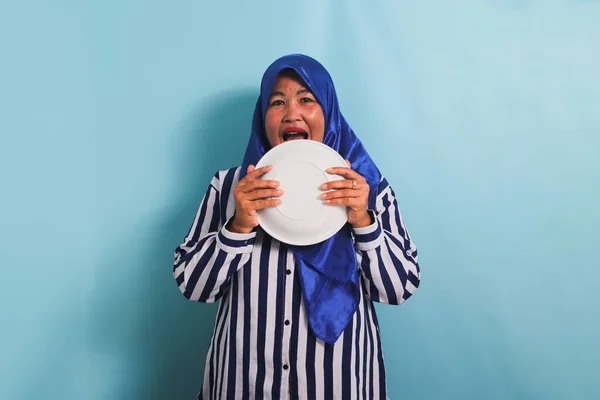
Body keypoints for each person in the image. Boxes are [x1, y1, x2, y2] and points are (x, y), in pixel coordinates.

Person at [173, 54, 420, 400]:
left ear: (328, 111)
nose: (292, 113)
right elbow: (194, 287)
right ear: (263, 117)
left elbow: (399, 288)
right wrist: (238, 227)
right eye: (277, 102)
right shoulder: (229, 188)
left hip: (340, 385)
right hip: (242, 386)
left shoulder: (368, 188)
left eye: (307, 99)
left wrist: (363, 221)